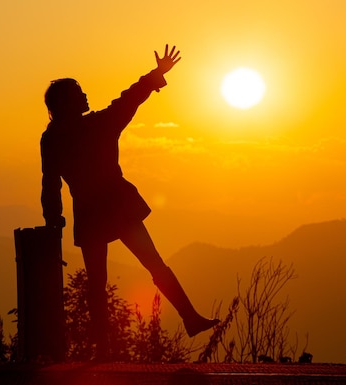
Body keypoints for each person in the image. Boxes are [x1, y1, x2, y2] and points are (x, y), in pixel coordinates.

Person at [40, 45, 219, 360]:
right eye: (79, 92)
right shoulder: (97, 125)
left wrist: (53, 218)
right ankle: (189, 318)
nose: (85, 95)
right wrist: (157, 74)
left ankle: (104, 350)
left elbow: (50, 182)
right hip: (117, 207)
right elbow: (130, 98)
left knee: (99, 283)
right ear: (67, 102)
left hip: (91, 211)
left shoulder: (53, 137)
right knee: (153, 264)